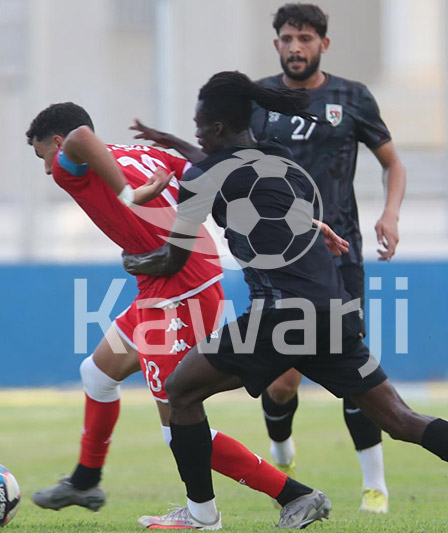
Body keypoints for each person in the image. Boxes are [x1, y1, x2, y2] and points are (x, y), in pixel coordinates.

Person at [122, 71, 448, 531]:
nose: (195, 135)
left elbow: (172, 257)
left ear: (215, 128)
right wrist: (173, 142)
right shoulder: (277, 157)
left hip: (280, 315)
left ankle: (201, 516)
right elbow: (220, 165)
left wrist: (132, 258)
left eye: (198, 127)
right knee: (400, 418)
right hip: (332, 309)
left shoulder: (201, 178)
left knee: (181, 392)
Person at [24, 102, 331, 520]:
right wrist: (293, 217)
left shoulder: (69, 162)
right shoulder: (144, 155)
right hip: (167, 279)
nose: (47, 169)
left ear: (57, 144)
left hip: (178, 288)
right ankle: (85, 481)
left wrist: (129, 195)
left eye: (43, 156)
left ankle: (282, 496)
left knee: (178, 416)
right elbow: (214, 170)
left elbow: (79, 138)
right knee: (97, 373)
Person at [248, 3, 406, 513]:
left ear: (324, 44)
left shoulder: (351, 97)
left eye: (306, 38)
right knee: (280, 379)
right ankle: (281, 454)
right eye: (288, 38)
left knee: (352, 371)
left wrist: (390, 214)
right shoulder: (258, 100)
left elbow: (392, 163)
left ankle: (375, 486)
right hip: (277, 261)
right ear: (277, 44)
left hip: (340, 259)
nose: (296, 47)